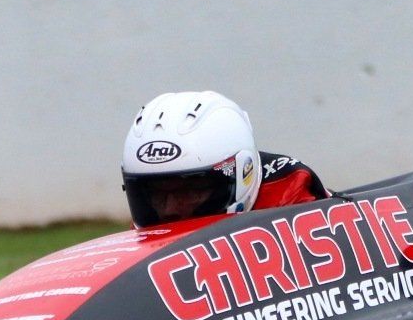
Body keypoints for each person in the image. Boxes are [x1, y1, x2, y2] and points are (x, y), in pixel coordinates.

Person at [120, 90, 329, 228]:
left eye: (191, 191)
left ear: (242, 173)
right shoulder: (152, 225)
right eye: (157, 194)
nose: (170, 210)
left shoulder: (292, 199)